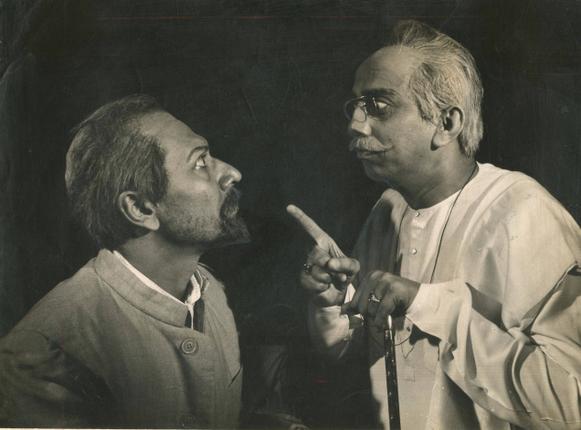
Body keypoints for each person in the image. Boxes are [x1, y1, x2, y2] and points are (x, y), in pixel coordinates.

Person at [290, 20, 581, 429]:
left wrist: (428, 305)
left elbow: (571, 404)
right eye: (354, 106)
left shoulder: (525, 212)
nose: (354, 124)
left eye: (378, 105)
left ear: (447, 123)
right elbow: (361, 356)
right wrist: (332, 307)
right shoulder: (389, 209)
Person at [0, 94, 250, 428]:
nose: (232, 173)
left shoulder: (212, 293)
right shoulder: (45, 355)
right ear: (141, 209)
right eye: (200, 163)